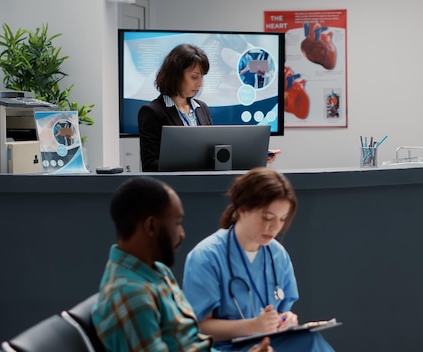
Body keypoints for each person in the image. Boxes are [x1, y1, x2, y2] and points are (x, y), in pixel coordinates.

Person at [91, 176, 272, 352]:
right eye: (177, 223)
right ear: (151, 226)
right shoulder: (132, 296)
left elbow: (191, 341)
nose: (182, 233)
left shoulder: (157, 271)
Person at [182, 168, 335, 352]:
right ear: (243, 209)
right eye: (267, 217)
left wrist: (286, 320)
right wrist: (253, 326)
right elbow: (198, 328)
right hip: (225, 348)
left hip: (270, 343)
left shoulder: (277, 255)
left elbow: (280, 312)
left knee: (310, 340)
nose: (274, 227)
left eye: (282, 219)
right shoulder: (207, 256)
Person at [138, 44, 279, 172]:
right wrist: (192, 163)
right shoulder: (152, 112)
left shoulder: (201, 108)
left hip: (205, 187)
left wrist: (256, 155)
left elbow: (215, 152)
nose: (200, 84)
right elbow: (150, 165)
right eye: (194, 77)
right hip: (174, 191)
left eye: (202, 78)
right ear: (175, 75)